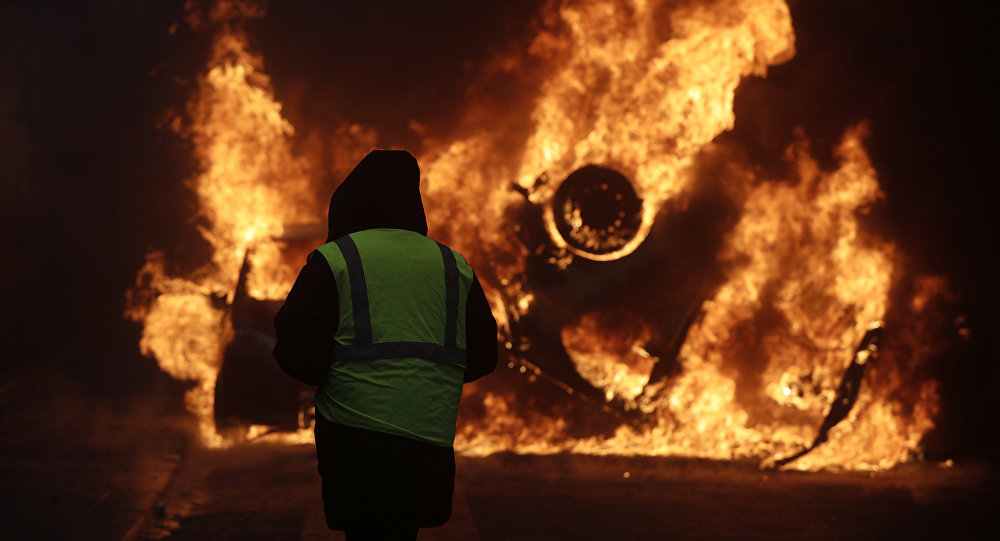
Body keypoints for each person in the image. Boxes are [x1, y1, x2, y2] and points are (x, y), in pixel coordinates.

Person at [273, 149, 498, 540]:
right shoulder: (453, 264)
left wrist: (340, 377)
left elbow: (296, 352)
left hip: (353, 436)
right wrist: (424, 381)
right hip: (428, 438)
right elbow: (483, 355)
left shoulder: (335, 260)